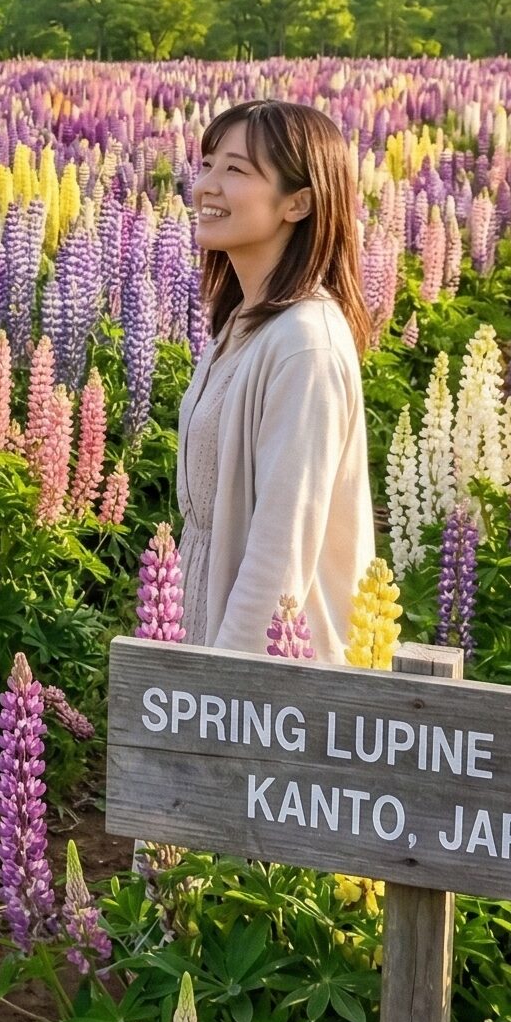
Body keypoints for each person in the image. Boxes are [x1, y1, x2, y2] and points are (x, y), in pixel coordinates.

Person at [175, 99, 375, 661]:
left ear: (300, 202)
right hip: (208, 649)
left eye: (235, 170)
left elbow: (278, 555)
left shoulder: (305, 343)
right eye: (208, 164)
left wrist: (223, 694)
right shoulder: (245, 322)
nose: (207, 186)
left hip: (273, 686)